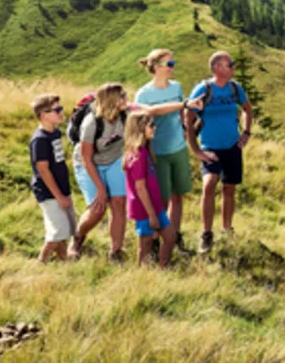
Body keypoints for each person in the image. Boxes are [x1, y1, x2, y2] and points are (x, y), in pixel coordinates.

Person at [69, 82, 196, 263]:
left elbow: (153, 110)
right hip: (88, 163)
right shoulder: (91, 123)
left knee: (119, 203)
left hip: (114, 160)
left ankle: (115, 252)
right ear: (111, 101)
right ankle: (78, 237)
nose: (126, 99)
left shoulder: (126, 112)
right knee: (98, 209)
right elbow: (86, 158)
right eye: (122, 96)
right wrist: (101, 189)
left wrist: (184, 105)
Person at [185, 51, 253, 253]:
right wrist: (196, 150)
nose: (233, 67)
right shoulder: (203, 89)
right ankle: (206, 233)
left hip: (232, 146)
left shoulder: (235, 88)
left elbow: (247, 109)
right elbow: (187, 119)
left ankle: (227, 229)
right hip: (210, 147)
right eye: (229, 64)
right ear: (217, 68)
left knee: (229, 189)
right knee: (209, 184)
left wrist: (246, 132)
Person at [135, 48, 193, 252]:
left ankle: (174, 236)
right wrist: (182, 105)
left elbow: (181, 112)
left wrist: (185, 129)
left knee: (178, 195)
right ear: (157, 67)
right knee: (163, 198)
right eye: (169, 64)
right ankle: (159, 237)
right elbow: (148, 114)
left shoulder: (176, 87)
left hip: (178, 148)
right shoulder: (143, 94)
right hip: (157, 153)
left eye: (173, 63)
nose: (173, 67)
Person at [123, 111, 176, 267]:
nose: (154, 128)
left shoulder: (145, 151)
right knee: (145, 243)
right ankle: (142, 275)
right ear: (140, 128)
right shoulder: (137, 156)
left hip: (155, 205)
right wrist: (152, 215)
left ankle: (163, 268)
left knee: (170, 236)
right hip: (144, 209)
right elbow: (140, 188)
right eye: (151, 125)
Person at [29, 94, 77, 263]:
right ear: (43, 115)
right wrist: (59, 196)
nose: (60, 112)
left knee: (64, 229)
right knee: (57, 232)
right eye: (56, 110)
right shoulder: (40, 140)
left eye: (61, 108)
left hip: (61, 188)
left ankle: (63, 259)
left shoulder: (55, 133)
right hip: (49, 192)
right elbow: (43, 170)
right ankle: (41, 262)